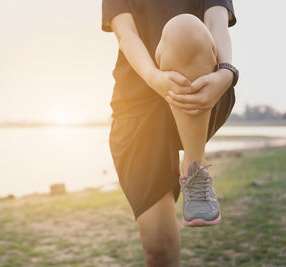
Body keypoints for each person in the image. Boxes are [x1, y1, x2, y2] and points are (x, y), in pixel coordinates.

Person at [102, 0, 238, 265]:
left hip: (202, 92)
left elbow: (217, 21)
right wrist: (154, 78)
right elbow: (125, 32)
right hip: (138, 105)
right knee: (159, 248)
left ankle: (194, 167)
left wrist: (227, 73)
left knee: (184, 27)